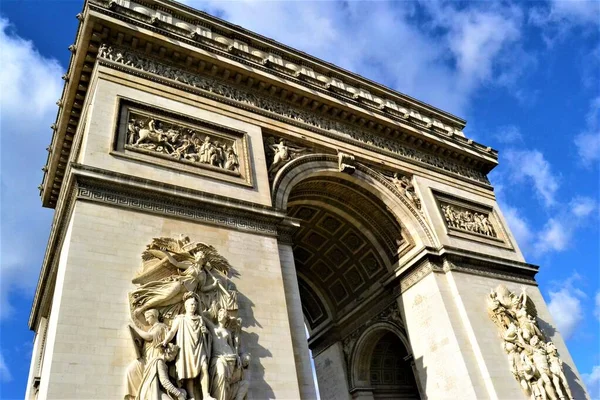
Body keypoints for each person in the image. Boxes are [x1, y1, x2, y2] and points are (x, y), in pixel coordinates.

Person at [131, 250, 219, 318]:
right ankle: (142, 308)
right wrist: (166, 253)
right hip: (180, 284)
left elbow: (202, 288)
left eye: (200, 256)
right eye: (198, 255)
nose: (198, 257)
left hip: (185, 294)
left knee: (166, 302)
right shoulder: (190, 266)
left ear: (203, 260)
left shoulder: (203, 274)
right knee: (164, 296)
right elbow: (175, 263)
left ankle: (150, 310)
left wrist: (213, 285)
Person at [162, 292, 215, 400]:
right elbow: (172, 331)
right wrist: (165, 341)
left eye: (195, 305)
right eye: (191, 304)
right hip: (186, 348)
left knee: (204, 367)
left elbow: (207, 334)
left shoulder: (200, 319)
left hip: (199, 347)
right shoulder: (180, 319)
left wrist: (205, 332)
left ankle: (206, 395)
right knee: (189, 372)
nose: (193, 306)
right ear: (186, 306)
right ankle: (191, 397)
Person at [125, 309, 168, 400]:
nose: (147, 320)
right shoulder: (152, 328)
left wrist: (134, 327)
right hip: (146, 358)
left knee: (152, 386)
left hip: (153, 360)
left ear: (154, 316)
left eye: (148, 318)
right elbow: (148, 342)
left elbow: (149, 337)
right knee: (131, 370)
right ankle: (135, 396)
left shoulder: (161, 327)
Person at [204, 308, 245, 400]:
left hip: (230, 358)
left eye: (222, 315)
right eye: (219, 314)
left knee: (226, 381)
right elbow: (203, 317)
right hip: (218, 357)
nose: (220, 316)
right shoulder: (213, 327)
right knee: (220, 374)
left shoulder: (228, 332)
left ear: (226, 318)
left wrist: (238, 357)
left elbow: (232, 346)